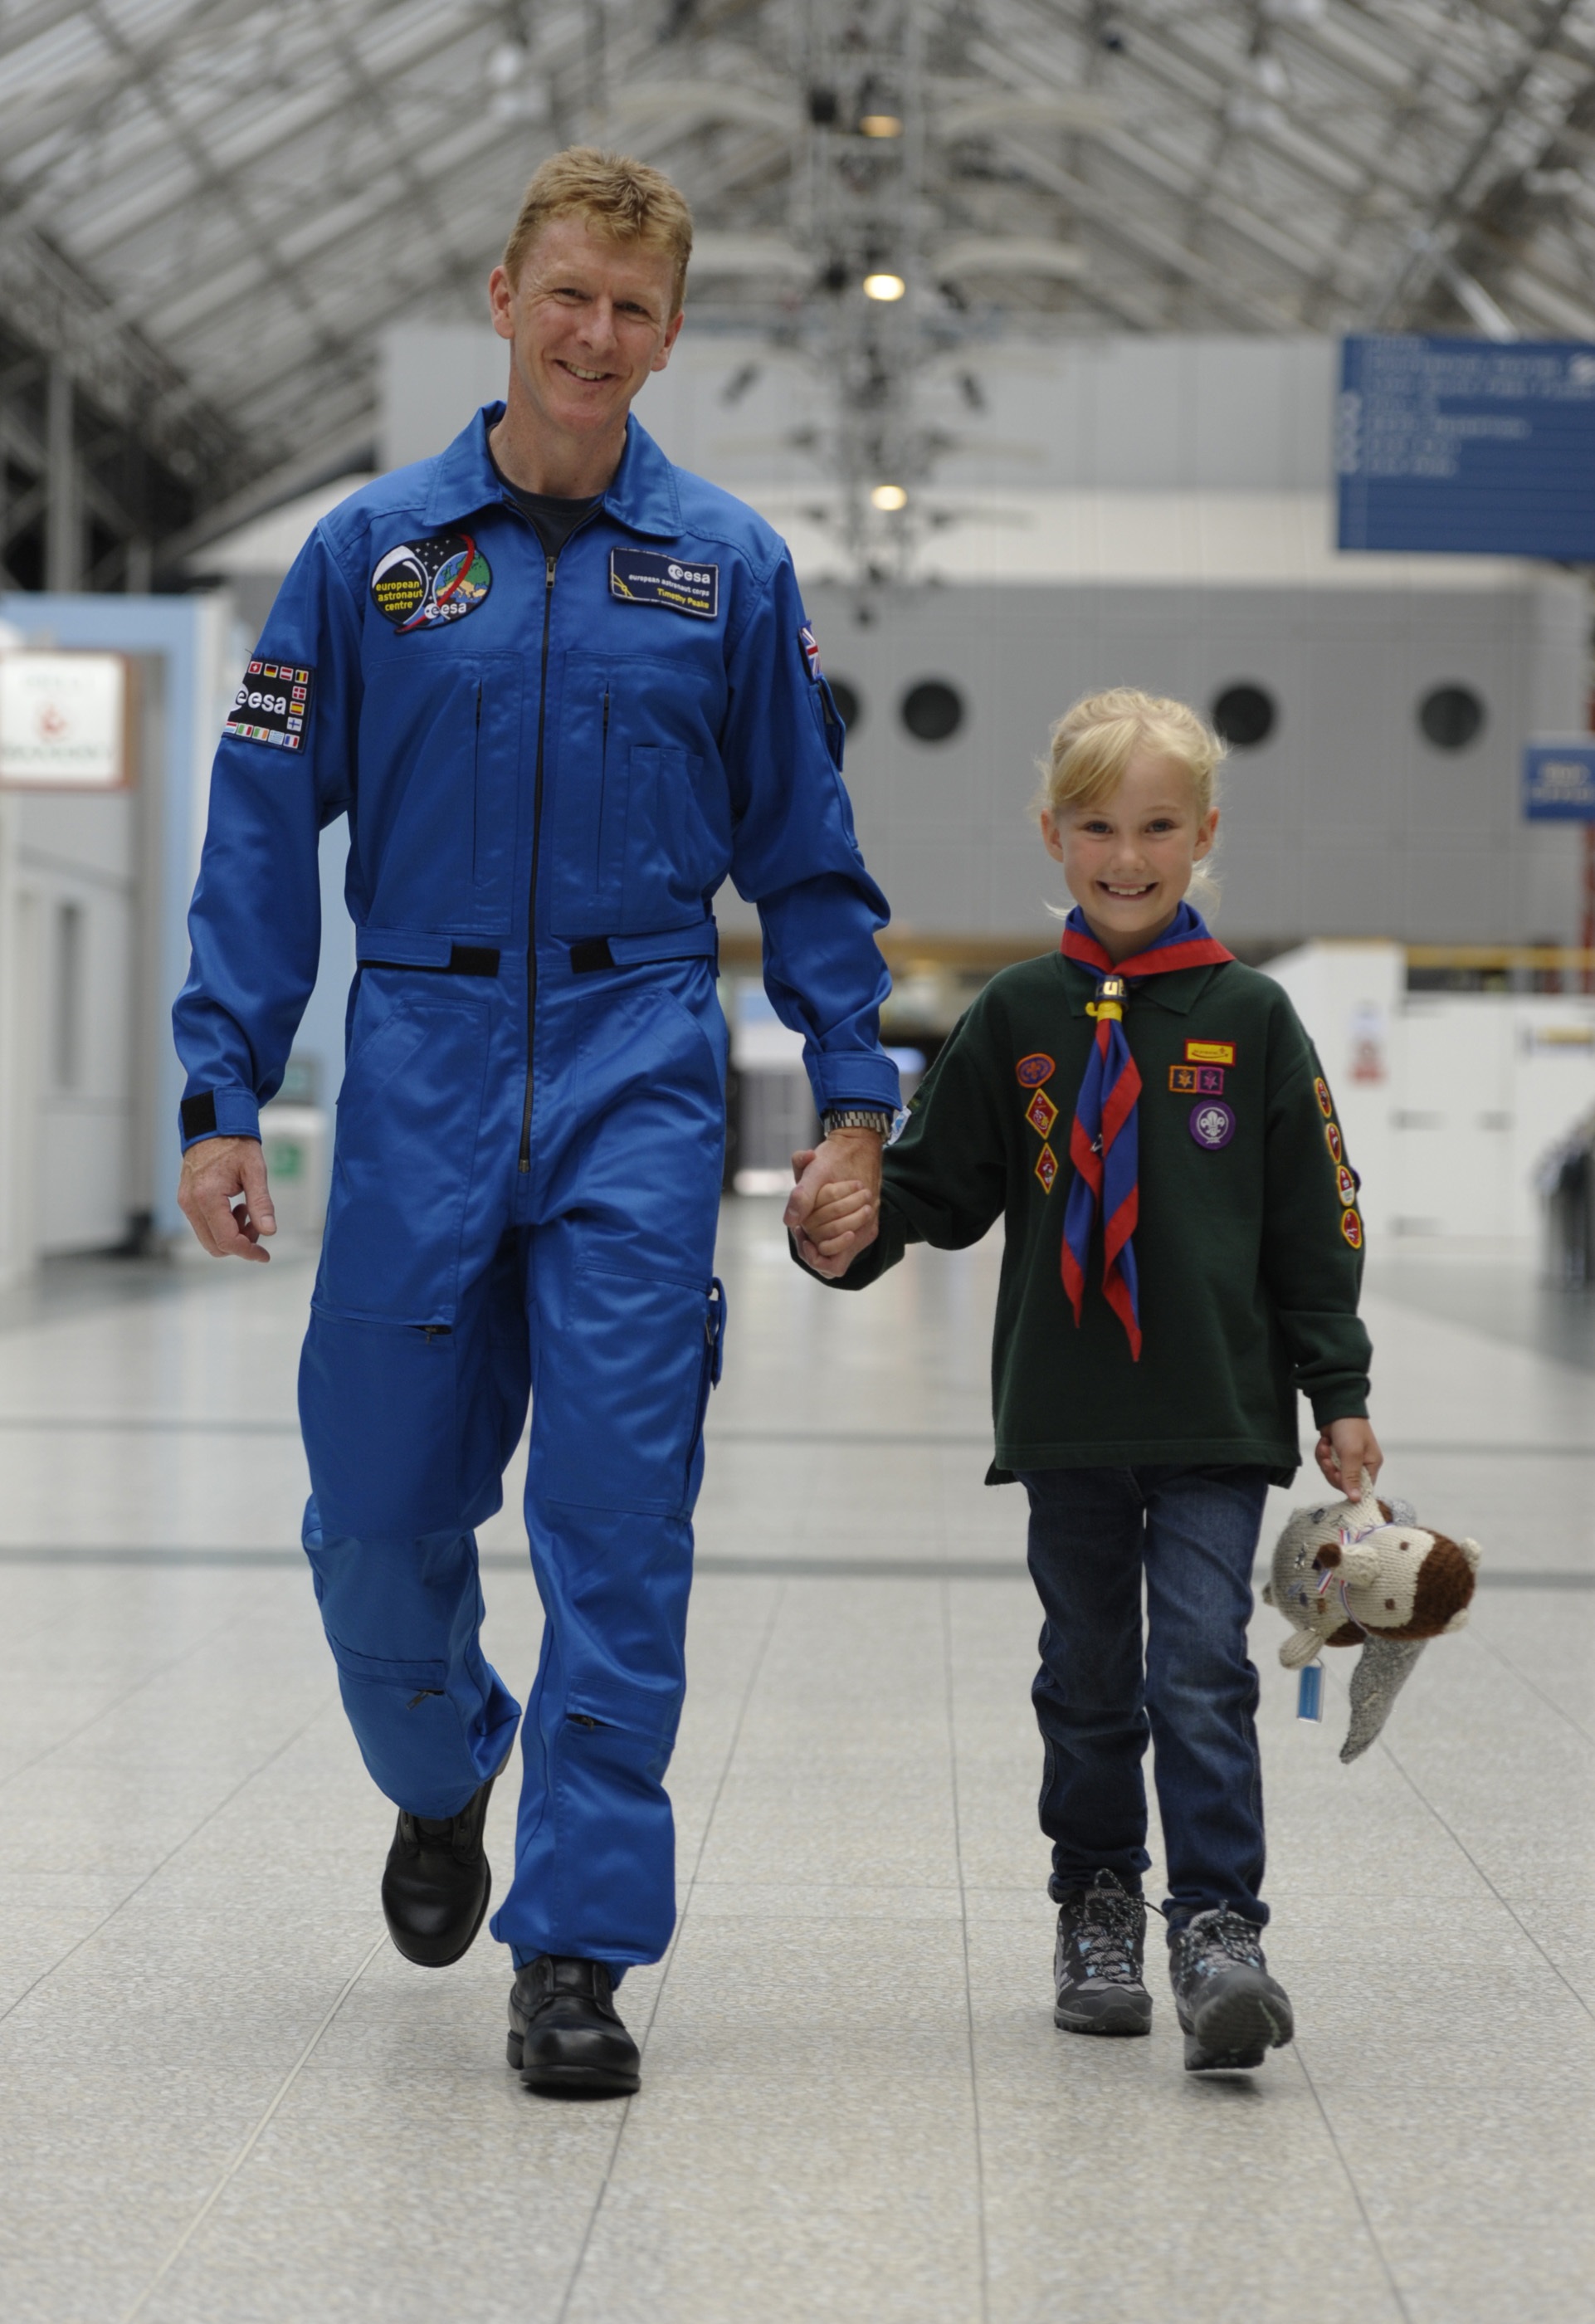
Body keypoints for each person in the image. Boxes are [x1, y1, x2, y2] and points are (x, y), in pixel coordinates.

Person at [173, 148, 897, 2099]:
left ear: (671, 334)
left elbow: (808, 859)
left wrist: (852, 1088)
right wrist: (222, 1086)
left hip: (641, 1052)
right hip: (411, 1053)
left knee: (615, 1526)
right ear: (506, 296)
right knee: (377, 1519)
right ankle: (441, 1768)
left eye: (636, 309)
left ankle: (575, 1942)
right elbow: (258, 833)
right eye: (568, 295)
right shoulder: (370, 556)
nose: (597, 336)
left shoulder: (728, 570)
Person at [795, 688, 1382, 2073]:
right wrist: (844, 1228)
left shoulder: (1250, 1017)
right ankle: (1098, 1902)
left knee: (1196, 1672)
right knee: (1086, 1676)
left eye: (1159, 827)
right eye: (1100, 827)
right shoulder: (1016, 1016)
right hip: (1064, 1416)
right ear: (1051, 834)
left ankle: (1218, 1926)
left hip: (1214, 1418)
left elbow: (1315, 1219)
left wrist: (1335, 1389)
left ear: (1204, 834)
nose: (1129, 856)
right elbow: (940, 1187)